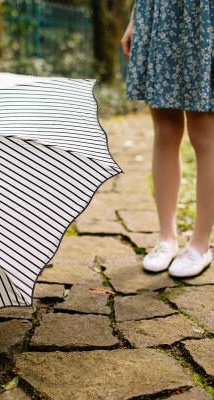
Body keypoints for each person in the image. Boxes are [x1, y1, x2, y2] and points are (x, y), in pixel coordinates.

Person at [120, 0, 214, 278]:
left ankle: (200, 245)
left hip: (204, 16)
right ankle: (166, 239)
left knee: (204, 132)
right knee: (164, 127)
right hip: (158, 12)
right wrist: (135, 19)